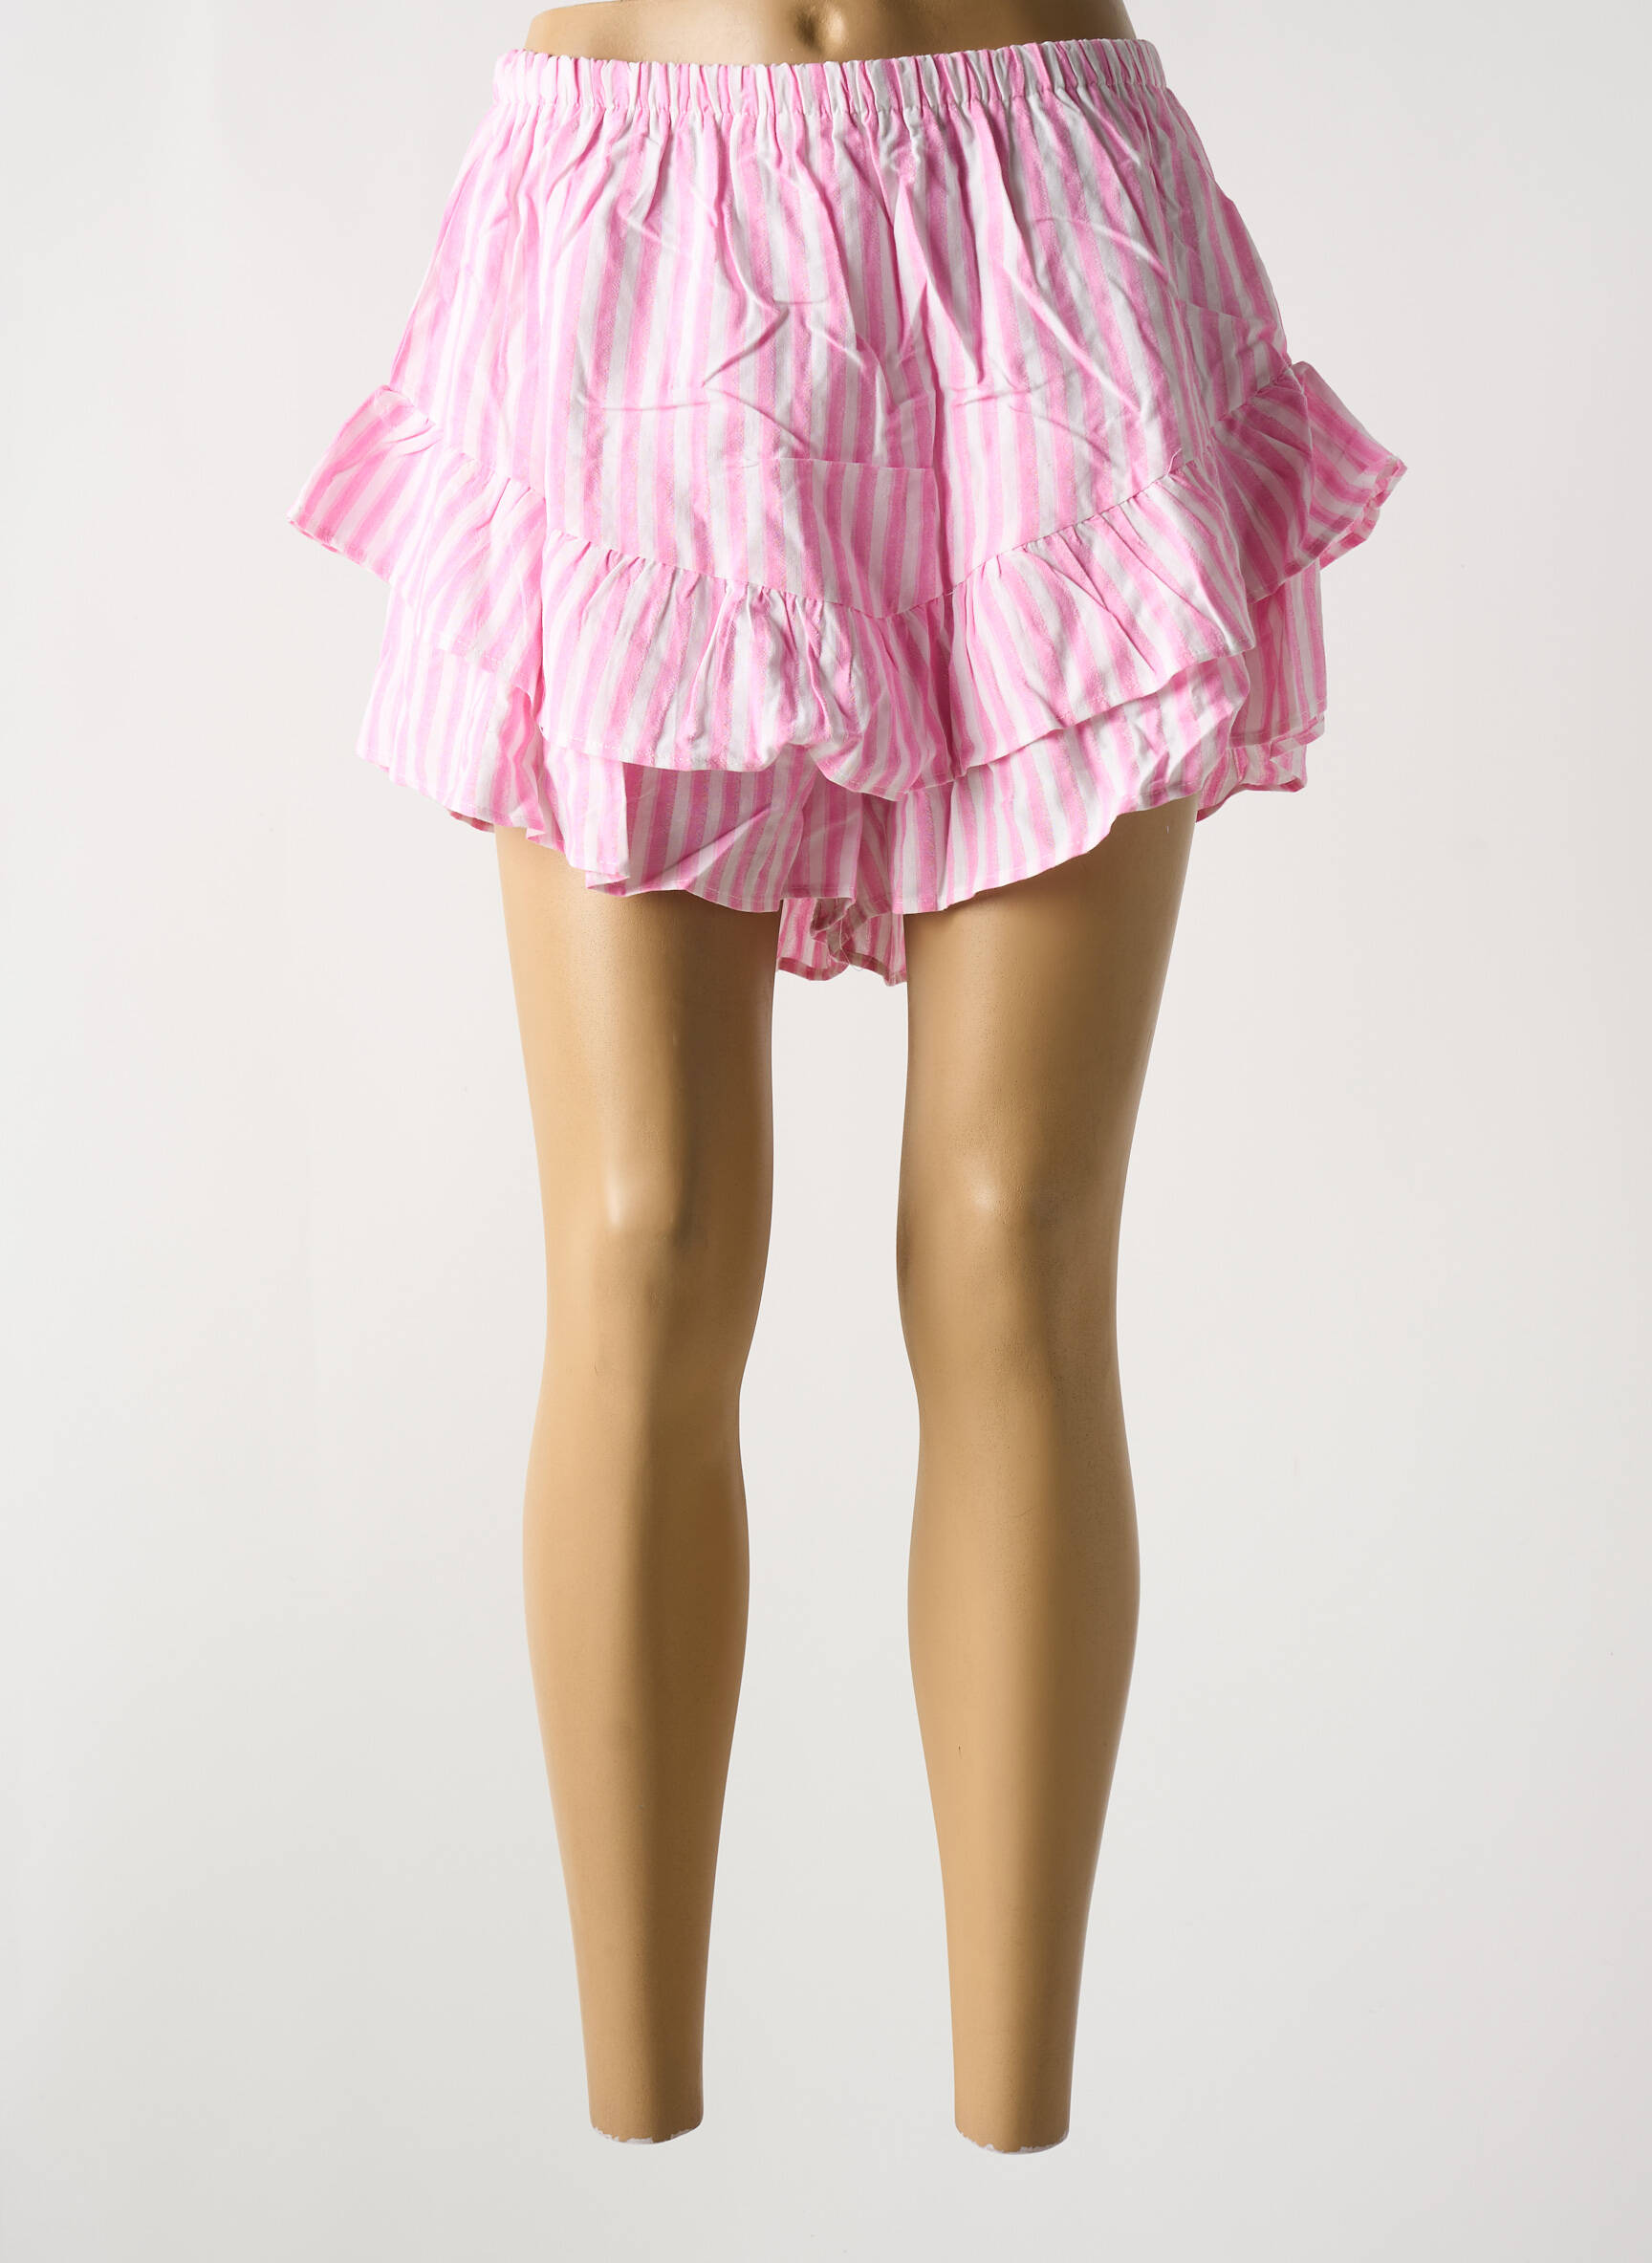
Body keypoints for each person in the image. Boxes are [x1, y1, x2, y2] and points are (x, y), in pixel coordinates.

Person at [288, 0, 1404, 2152]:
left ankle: (1018, 2130)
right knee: (645, 1238)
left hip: (1041, 219)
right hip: (631, 220)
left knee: (1016, 1242)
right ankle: (638, 2124)